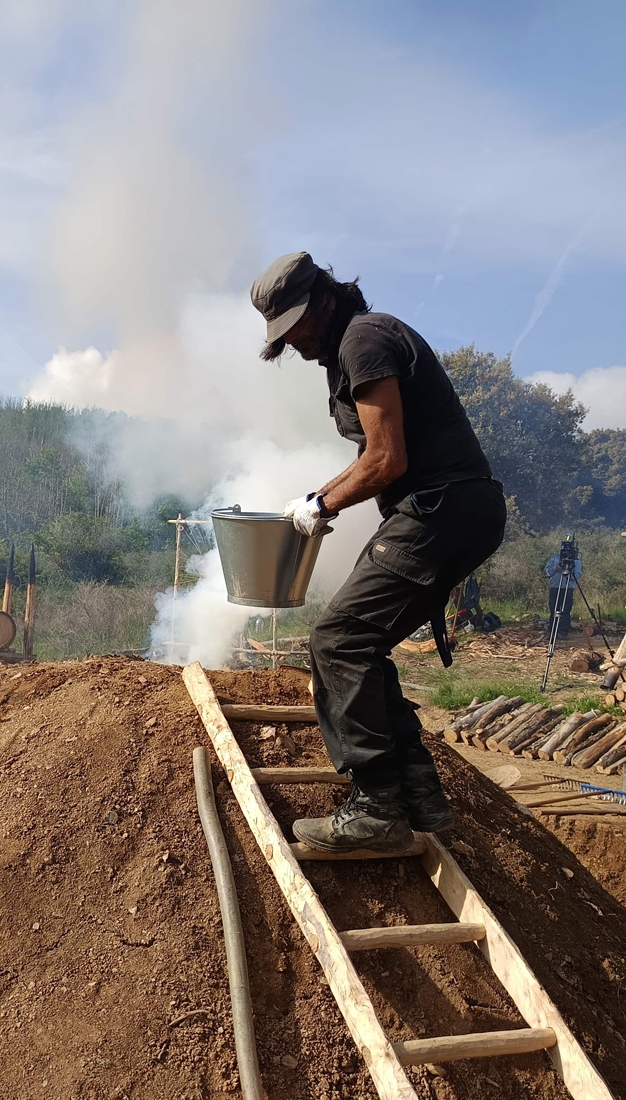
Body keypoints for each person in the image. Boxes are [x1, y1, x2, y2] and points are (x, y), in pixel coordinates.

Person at [250, 251, 506, 855]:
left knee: (336, 641)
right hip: (454, 508)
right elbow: (377, 455)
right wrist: (318, 495)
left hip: (443, 507)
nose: (297, 345)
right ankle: (417, 789)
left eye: (298, 328)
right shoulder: (357, 343)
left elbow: (387, 460)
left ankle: (376, 810)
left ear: (326, 301)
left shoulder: (362, 341)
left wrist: (326, 504)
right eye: (283, 337)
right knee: (362, 642)